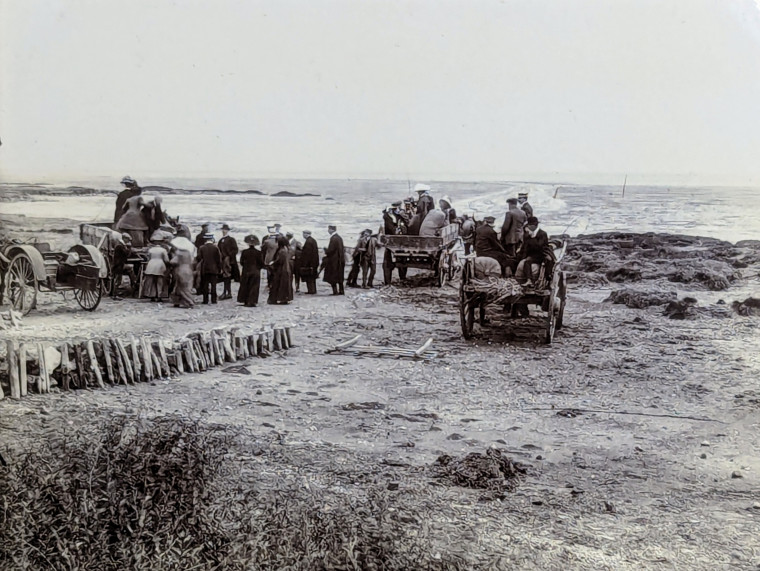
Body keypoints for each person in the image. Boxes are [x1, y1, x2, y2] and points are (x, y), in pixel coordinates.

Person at [515, 216, 553, 286]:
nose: (528, 227)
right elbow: (525, 245)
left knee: (527, 261)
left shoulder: (542, 233)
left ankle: (530, 280)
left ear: (533, 226)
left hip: (541, 253)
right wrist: (520, 254)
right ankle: (521, 279)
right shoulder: (527, 234)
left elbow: (539, 246)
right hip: (531, 253)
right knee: (520, 259)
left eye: (529, 225)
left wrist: (531, 237)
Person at [238, 234, 264, 307]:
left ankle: (245, 300)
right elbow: (261, 263)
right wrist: (258, 268)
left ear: (248, 243)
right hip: (255, 271)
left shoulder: (244, 252)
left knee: (245, 285)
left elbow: (241, 262)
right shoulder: (258, 253)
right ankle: (252, 301)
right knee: (254, 286)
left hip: (246, 271)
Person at [268, 235, 294, 305]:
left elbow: (280, 260)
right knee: (282, 285)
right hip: (285, 269)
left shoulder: (282, 251)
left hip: (281, 270)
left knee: (278, 284)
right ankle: (283, 298)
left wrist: (272, 263)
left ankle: (279, 298)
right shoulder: (285, 249)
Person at [196, 234, 221, 304]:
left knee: (205, 285)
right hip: (214, 268)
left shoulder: (202, 248)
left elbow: (199, 258)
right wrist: (219, 268)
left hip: (205, 268)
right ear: (212, 239)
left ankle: (205, 300)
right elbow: (219, 259)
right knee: (213, 285)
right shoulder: (216, 248)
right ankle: (214, 300)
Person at [321, 224, 345, 295]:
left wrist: (326, 250)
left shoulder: (333, 238)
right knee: (339, 276)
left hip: (333, 261)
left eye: (329, 229)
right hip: (339, 260)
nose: (328, 231)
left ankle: (335, 291)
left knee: (332, 276)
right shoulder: (339, 238)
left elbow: (331, 250)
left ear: (331, 229)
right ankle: (341, 290)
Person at [111, 233, 137, 297]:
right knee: (118, 280)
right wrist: (129, 248)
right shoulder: (120, 246)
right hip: (118, 265)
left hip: (119, 265)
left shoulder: (120, 245)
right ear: (124, 238)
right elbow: (126, 253)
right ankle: (115, 294)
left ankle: (133, 283)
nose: (128, 241)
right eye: (128, 239)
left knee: (129, 270)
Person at [218, 223, 239, 300]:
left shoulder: (231, 239)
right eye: (223, 230)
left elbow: (235, 250)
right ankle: (226, 292)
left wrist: (229, 256)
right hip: (222, 260)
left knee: (227, 275)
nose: (224, 231)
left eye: (225, 230)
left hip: (228, 260)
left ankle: (227, 292)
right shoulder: (220, 240)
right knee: (224, 276)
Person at [299, 230, 319, 294]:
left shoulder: (308, 242)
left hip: (309, 263)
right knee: (312, 278)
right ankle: (313, 289)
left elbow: (307, 254)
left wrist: (305, 264)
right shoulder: (313, 240)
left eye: (303, 234)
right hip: (314, 262)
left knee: (309, 277)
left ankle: (311, 290)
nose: (303, 235)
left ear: (306, 234)